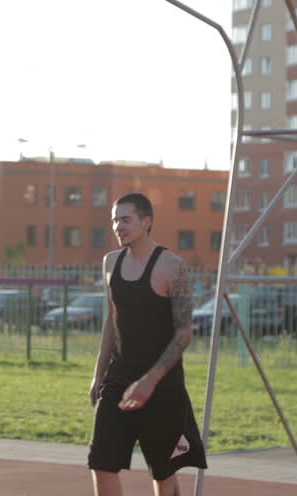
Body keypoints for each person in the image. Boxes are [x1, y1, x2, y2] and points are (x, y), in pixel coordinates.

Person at [88, 193, 207, 495]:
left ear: (146, 222)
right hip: (118, 379)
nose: (118, 226)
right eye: (114, 220)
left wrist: (148, 382)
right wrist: (98, 374)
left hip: (162, 385)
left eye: (125, 220)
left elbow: (184, 335)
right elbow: (111, 321)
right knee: (101, 462)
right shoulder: (110, 263)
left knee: (162, 471)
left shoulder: (173, 267)